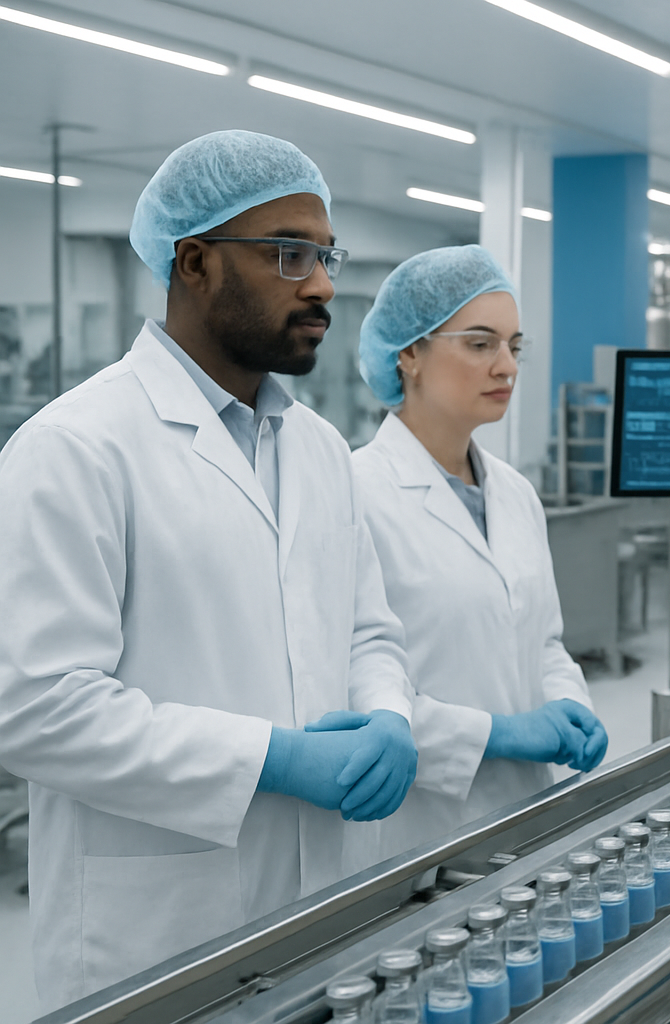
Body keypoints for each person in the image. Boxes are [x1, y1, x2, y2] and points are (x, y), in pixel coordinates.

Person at [0, 130, 419, 1010]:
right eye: (288, 254)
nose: (323, 285)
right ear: (194, 262)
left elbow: (368, 628)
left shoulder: (318, 450)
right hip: (157, 930)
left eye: (325, 254)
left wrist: (388, 714)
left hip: (327, 899)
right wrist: (269, 758)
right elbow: (33, 708)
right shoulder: (75, 448)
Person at [340, 244, 607, 864]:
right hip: (414, 833)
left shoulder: (514, 493)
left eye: (515, 346)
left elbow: (543, 640)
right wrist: (499, 735)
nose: (507, 366)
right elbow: (352, 687)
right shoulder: (354, 493)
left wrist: (569, 701)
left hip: (527, 815)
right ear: (409, 352)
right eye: (481, 343)